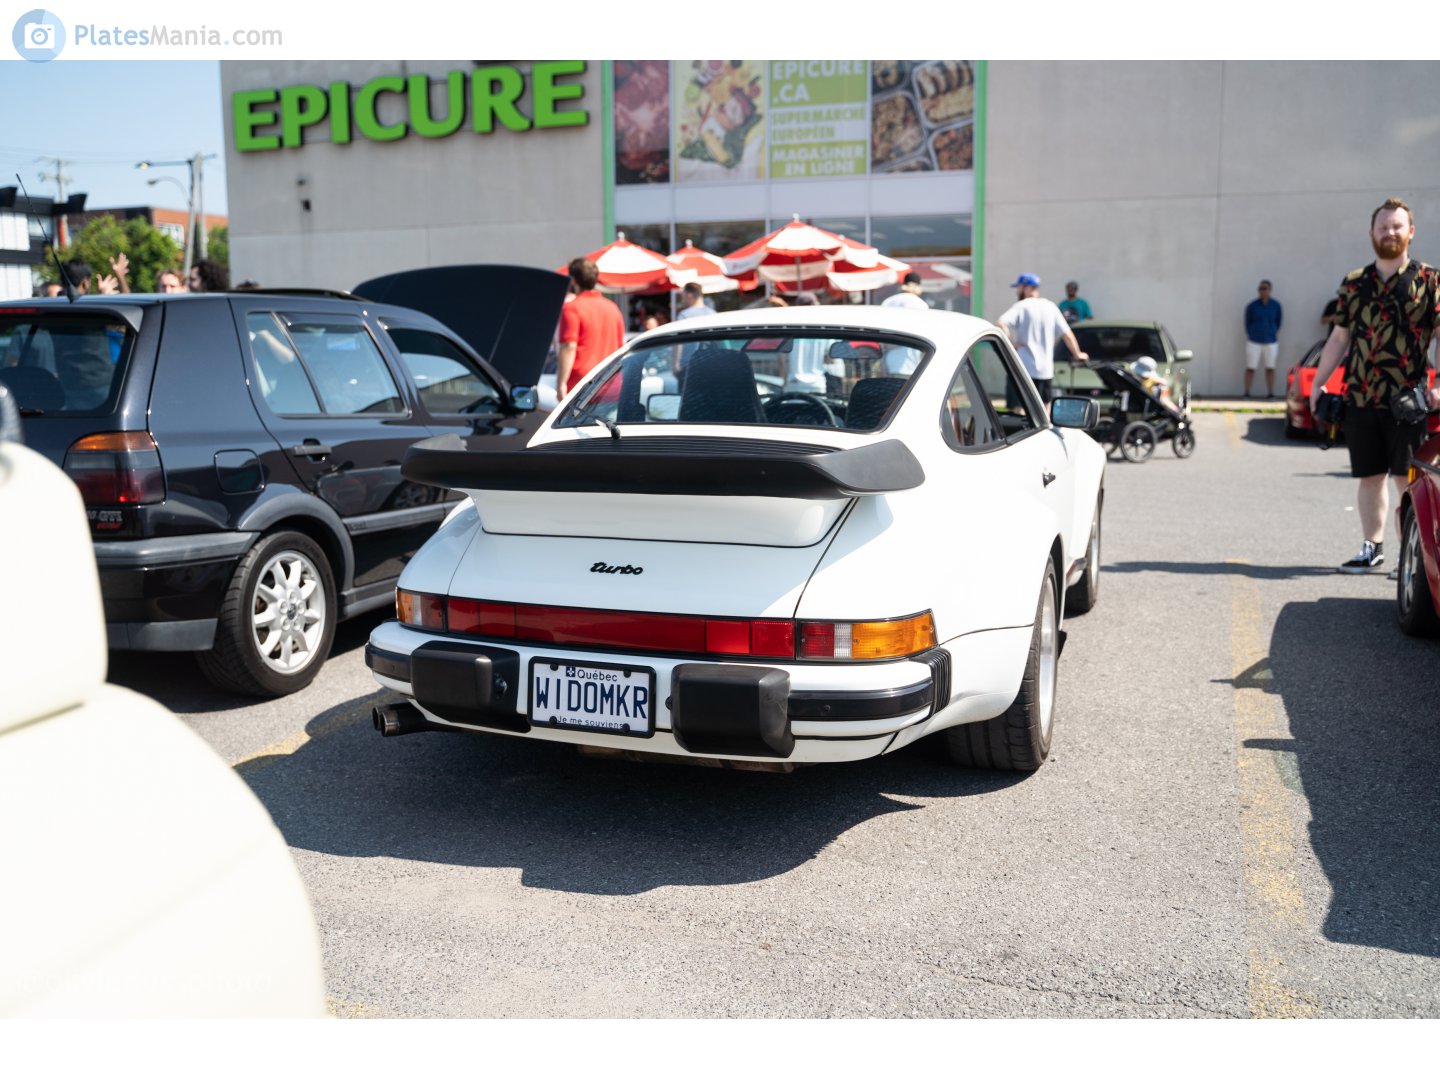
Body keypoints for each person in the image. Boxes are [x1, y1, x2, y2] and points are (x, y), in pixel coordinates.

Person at [1309, 196, 1440, 574]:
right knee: (1369, 477)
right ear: (1371, 233)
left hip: (1408, 401)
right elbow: (1338, 338)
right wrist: (1319, 384)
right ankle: (1372, 548)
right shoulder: (1355, 283)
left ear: (1411, 232)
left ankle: (1409, 557)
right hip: (1361, 399)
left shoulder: (1430, 281)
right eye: (1383, 227)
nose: (1390, 232)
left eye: (1397, 226)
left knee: (1406, 480)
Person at [995, 272, 1088, 403]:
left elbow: (1001, 323)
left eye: (1019, 288)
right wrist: (1077, 354)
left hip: (1022, 369)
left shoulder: (1021, 306)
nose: (1017, 291)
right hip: (1045, 371)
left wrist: (1010, 344)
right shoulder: (1051, 307)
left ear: (1027, 288)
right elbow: (1067, 334)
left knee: (1021, 408)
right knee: (1045, 407)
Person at [555, 257, 625, 397]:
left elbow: (569, 346)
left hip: (582, 385)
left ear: (573, 280)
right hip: (611, 381)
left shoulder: (572, 308)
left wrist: (561, 383)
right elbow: (620, 347)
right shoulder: (613, 308)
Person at [1243, 280, 1282, 399]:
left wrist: (1272, 332)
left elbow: (1278, 322)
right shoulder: (1252, 306)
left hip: (1271, 341)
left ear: (1270, 290)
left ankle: (1270, 393)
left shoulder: (1276, 306)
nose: (1262, 291)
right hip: (1254, 341)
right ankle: (1247, 393)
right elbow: (1247, 322)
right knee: (1250, 367)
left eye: (1265, 288)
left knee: (1270, 367)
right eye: (1260, 289)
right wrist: (1252, 333)